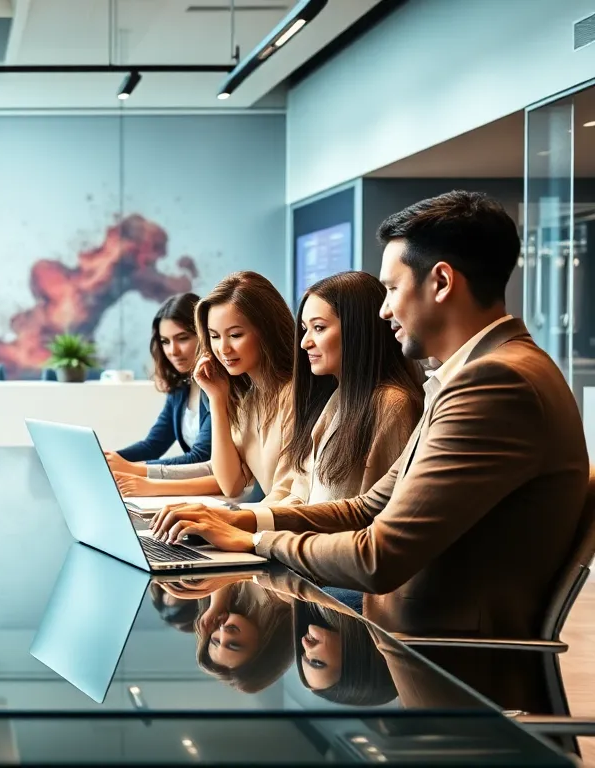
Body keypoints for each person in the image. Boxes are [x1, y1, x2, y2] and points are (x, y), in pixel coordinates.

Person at [149, 191, 590, 638]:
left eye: (393, 289)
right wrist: (237, 520)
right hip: (408, 629)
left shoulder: (495, 383)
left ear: (440, 282)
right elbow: (368, 505)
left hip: (438, 654)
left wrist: (255, 541)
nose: (383, 309)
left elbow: (378, 557)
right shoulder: (470, 375)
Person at [114, 272, 294, 500]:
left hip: (273, 522)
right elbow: (230, 483)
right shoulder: (244, 399)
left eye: (235, 335)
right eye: (215, 336)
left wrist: (141, 475)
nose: (224, 349)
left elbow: (206, 463)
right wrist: (217, 399)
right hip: (259, 516)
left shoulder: (290, 395)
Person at [263, 271, 424, 505]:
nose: (304, 342)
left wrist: (253, 529)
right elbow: (300, 496)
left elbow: (375, 517)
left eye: (318, 328)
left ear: (357, 329)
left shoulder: (392, 404)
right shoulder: (335, 397)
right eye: (305, 329)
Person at [105, 293, 212, 473]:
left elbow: (201, 457)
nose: (173, 351)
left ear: (204, 335)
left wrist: (130, 468)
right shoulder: (180, 389)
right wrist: (106, 458)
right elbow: (152, 446)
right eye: (165, 341)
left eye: (183, 338)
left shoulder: (219, 388)